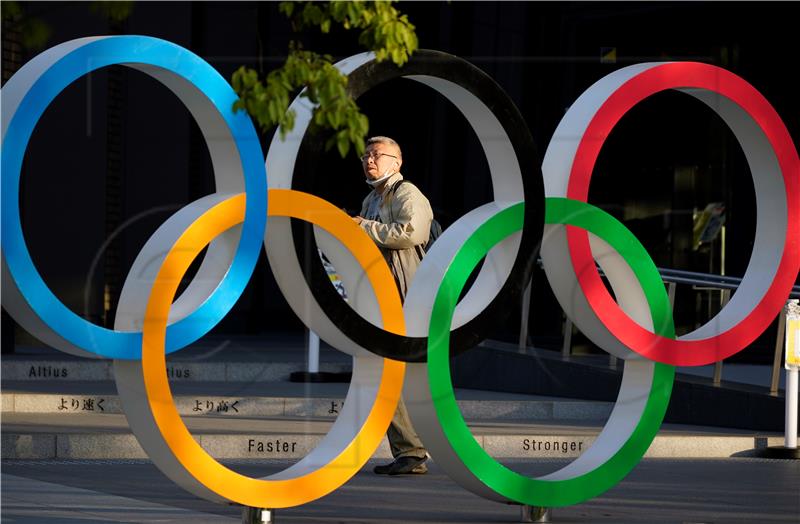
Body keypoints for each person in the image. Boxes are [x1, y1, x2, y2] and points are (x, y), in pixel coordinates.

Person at [352, 136, 433, 475]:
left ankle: (413, 450)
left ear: (396, 163)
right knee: (385, 373)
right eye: (365, 155)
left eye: (376, 155)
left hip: (407, 295)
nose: (369, 160)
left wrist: (362, 227)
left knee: (394, 372)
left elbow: (411, 232)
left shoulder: (407, 193)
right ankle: (408, 450)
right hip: (381, 296)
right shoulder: (372, 198)